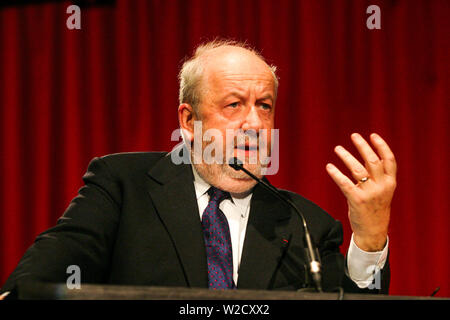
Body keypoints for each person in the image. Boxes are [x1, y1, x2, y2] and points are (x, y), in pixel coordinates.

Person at [0, 40, 396, 298]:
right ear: (189, 121)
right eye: (234, 105)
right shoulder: (122, 188)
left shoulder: (306, 224)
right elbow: (41, 276)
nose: (255, 124)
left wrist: (371, 237)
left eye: (264, 105)